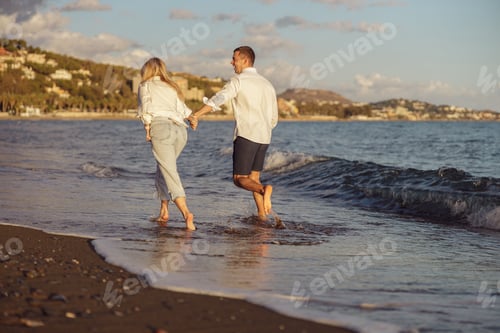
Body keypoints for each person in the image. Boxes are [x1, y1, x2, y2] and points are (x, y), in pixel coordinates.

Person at [190, 46, 278, 221]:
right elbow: (274, 117)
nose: (232, 62)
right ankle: (262, 215)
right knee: (254, 178)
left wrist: (197, 114)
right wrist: (265, 129)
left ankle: (264, 190)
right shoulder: (267, 84)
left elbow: (219, 99)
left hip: (246, 135)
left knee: (239, 179)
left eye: (234, 59)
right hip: (264, 137)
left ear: (245, 60)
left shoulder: (239, 80)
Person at [137, 57, 196, 231]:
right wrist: (192, 118)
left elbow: (146, 109)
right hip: (180, 130)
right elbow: (184, 110)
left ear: (146, 71)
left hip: (161, 128)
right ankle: (164, 211)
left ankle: (187, 214)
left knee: (169, 171)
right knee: (163, 168)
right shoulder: (171, 86)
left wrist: (147, 129)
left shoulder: (145, 85)